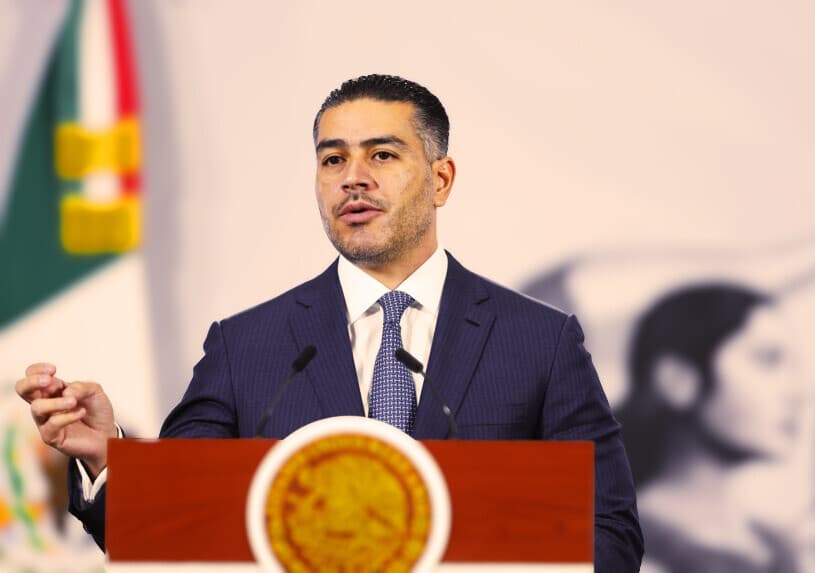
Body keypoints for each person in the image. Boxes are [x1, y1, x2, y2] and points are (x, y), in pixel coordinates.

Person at [15, 75, 643, 571]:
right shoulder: (246, 347)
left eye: (383, 154)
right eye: (333, 160)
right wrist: (109, 456)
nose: (353, 179)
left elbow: (610, 536)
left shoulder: (539, 341)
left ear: (441, 179)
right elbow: (169, 531)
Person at [616, 283, 802, 572]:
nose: (796, 391)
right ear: (677, 379)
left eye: (792, 367)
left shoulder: (785, 546)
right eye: (768, 360)